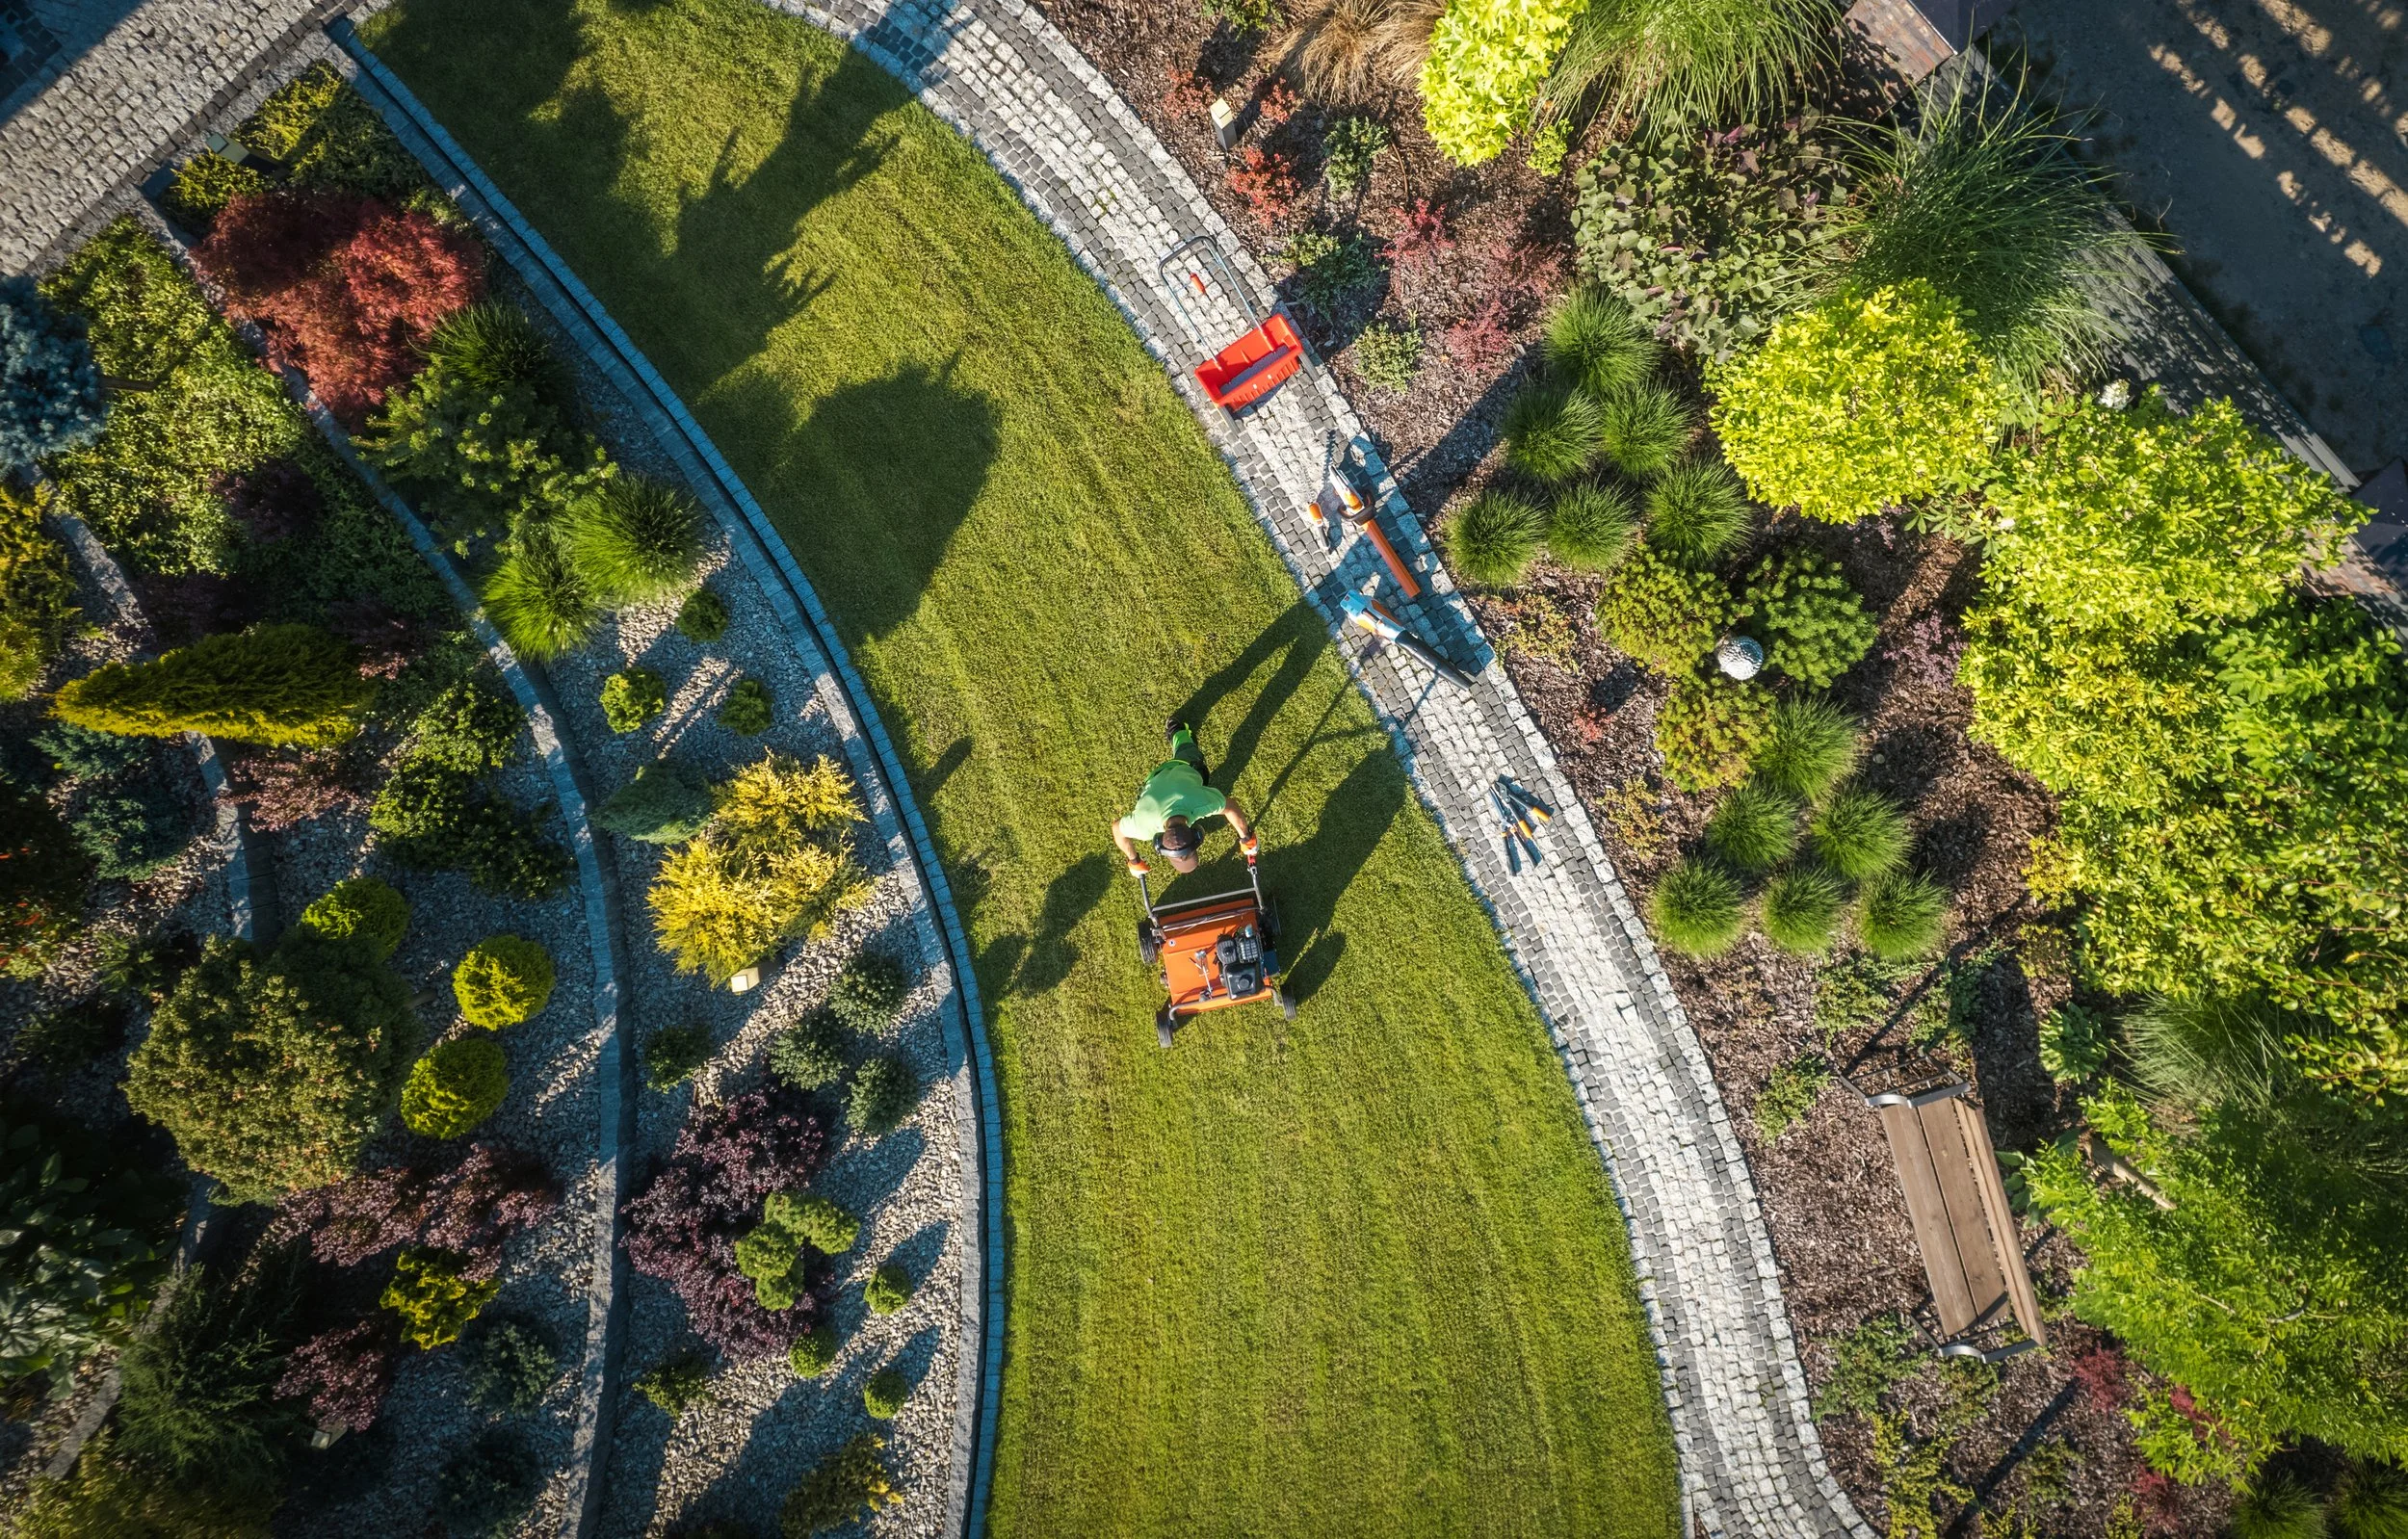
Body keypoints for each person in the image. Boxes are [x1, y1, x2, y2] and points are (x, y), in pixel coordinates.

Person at [1113, 717, 1255, 877]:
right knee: (1186, 753)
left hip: (1183, 765)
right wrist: (1133, 861)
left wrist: (1247, 838)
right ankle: (1175, 729)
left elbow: (1231, 807)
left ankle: (1178, 729)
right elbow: (1117, 829)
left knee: (1188, 751)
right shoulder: (1142, 825)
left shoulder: (1201, 802)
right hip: (1155, 778)